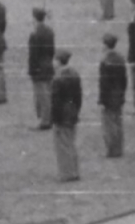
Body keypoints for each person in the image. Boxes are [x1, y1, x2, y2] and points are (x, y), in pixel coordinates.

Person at [51, 50, 83, 183]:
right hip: (72, 111)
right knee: (70, 142)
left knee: (62, 145)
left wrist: (54, 118)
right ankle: (74, 170)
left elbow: (56, 101)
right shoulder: (74, 74)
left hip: (62, 114)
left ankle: (66, 172)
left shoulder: (57, 78)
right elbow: (79, 97)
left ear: (58, 61)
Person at [100, 33, 129, 157]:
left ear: (106, 45)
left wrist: (102, 100)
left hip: (109, 96)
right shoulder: (120, 59)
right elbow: (124, 80)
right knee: (118, 122)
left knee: (109, 124)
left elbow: (104, 83)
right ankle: (118, 147)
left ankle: (112, 149)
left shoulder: (105, 61)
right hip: (119, 94)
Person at [28, 8, 56, 130]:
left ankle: (45, 121)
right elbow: (52, 51)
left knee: (42, 96)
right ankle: (49, 117)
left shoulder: (34, 35)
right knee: (48, 93)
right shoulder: (49, 32)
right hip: (48, 65)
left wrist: (32, 70)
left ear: (35, 19)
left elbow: (33, 56)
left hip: (38, 68)